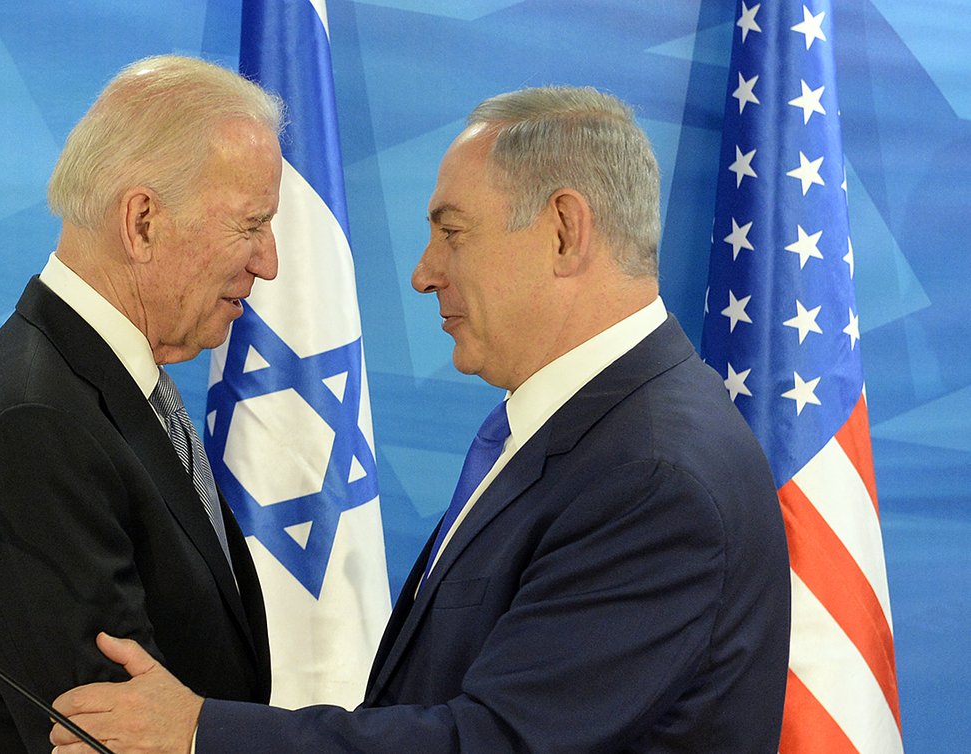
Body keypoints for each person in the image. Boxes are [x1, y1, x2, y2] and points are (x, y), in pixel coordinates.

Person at [48, 86, 791, 753]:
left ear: (565, 230)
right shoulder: (595, 431)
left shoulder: (651, 477)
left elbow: (497, 742)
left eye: (453, 232)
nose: (424, 272)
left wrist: (200, 734)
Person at [0, 55, 283, 753]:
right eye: (251, 224)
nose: (269, 261)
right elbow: (114, 738)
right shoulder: (34, 427)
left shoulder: (103, 391)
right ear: (142, 222)